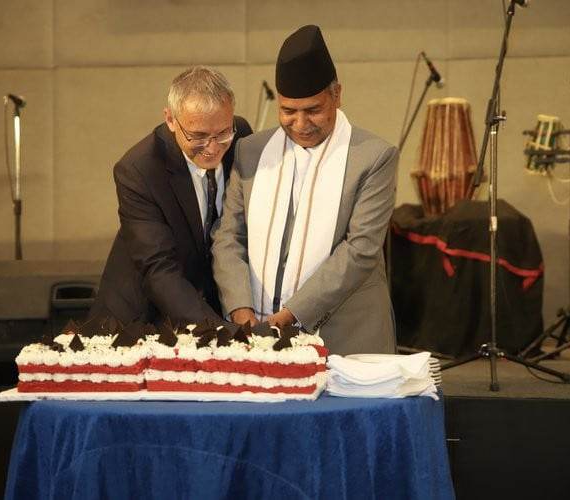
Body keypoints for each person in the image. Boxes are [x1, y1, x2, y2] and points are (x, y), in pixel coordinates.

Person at [212, 25, 398, 355]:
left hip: (346, 337)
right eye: (288, 111)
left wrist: (291, 316)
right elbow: (229, 237)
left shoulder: (373, 156)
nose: (300, 124)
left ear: (337, 95)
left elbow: (361, 250)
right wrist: (240, 310)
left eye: (313, 110)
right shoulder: (251, 151)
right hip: (254, 333)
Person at [90, 66, 252, 326]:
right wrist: (222, 331)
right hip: (142, 319)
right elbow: (159, 270)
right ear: (171, 120)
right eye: (198, 136)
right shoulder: (139, 170)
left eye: (222, 133)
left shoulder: (240, 134)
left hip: (208, 306)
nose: (212, 148)